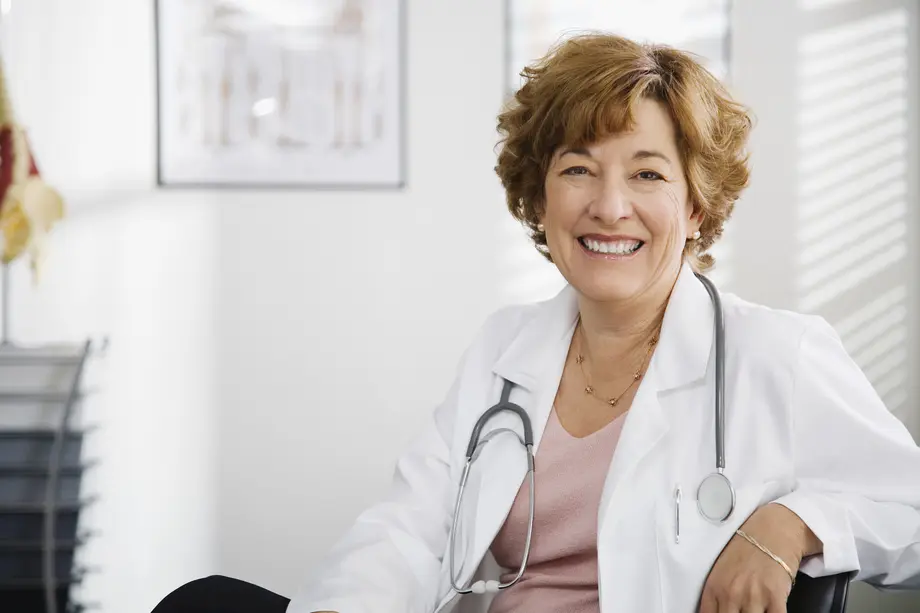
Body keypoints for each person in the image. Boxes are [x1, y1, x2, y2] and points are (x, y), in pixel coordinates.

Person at [152, 33, 920, 613]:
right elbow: (410, 526)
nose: (609, 205)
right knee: (202, 602)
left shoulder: (773, 354)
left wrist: (793, 522)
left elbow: (910, 512)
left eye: (647, 172)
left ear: (695, 207)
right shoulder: (506, 347)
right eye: (577, 168)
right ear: (540, 198)